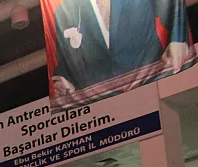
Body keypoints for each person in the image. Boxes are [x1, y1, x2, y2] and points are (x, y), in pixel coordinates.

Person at [49, 0, 193, 105]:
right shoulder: (64, 12)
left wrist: (178, 38)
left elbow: (171, 5)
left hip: (155, 84)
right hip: (109, 108)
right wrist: (65, 82)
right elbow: (66, 64)